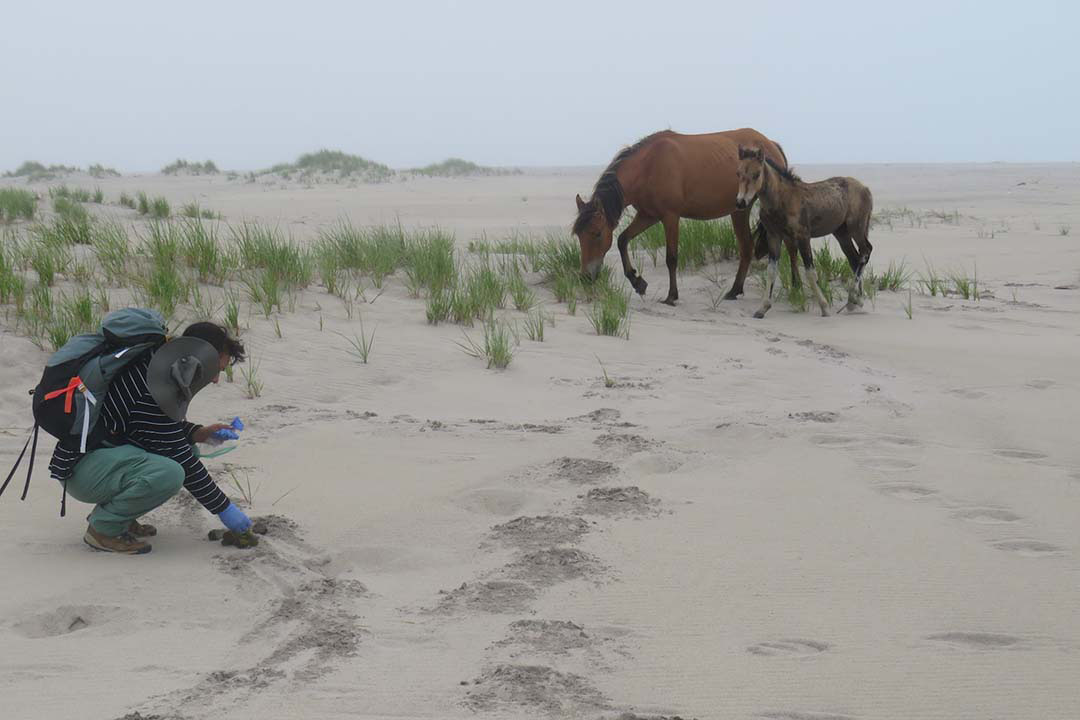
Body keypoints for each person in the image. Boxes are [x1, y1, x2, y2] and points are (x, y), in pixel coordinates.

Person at [47, 321, 253, 554]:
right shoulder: (151, 385)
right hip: (83, 471)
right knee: (171, 472)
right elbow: (178, 454)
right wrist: (225, 510)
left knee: (184, 451)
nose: (215, 379)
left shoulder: (158, 366)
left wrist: (198, 433)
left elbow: (150, 429)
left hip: (97, 459)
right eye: (216, 369)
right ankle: (103, 529)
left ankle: (120, 515)